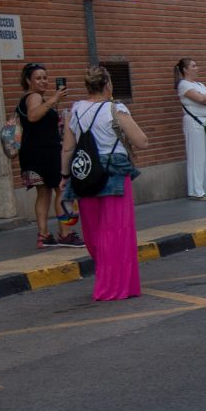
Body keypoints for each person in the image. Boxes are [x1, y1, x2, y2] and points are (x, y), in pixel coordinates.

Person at [64, 67, 148, 301]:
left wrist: (64, 177)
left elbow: (68, 148)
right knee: (117, 231)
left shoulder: (76, 110)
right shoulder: (115, 109)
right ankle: (118, 285)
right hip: (114, 174)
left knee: (93, 232)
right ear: (107, 84)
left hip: (85, 173)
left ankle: (106, 277)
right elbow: (141, 141)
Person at [13, 63, 70, 248]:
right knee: (62, 190)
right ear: (28, 80)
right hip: (45, 153)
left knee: (43, 193)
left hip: (33, 152)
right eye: (38, 78)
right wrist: (54, 99)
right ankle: (65, 234)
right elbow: (33, 116)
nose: (43, 81)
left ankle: (44, 235)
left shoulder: (30, 97)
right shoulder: (34, 97)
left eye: (45, 77)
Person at [175, 57, 206, 200]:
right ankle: (196, 191)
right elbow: (201, 99)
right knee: (197, 157)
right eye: (193, 66)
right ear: (185, 70)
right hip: (195, 123)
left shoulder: (200, 84)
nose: (197, 68)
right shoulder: (183, 85)